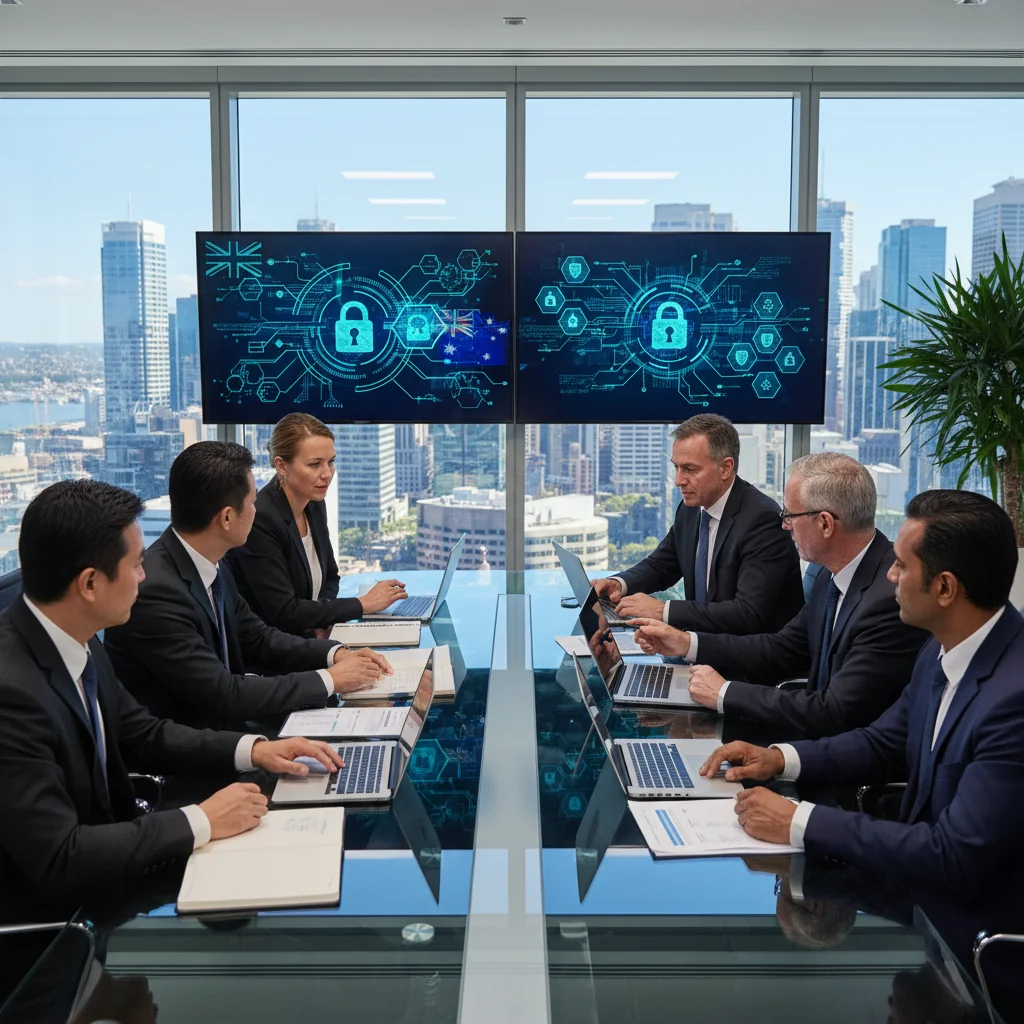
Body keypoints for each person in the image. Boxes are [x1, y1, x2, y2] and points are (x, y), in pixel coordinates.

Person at [0, 480, 345, 916]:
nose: (145, 576)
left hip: (120, 868)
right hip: (53, 931)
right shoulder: (11, 693)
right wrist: (201, 820)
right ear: (90, 584)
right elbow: (60, 854)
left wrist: (257, 750)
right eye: (136, 565)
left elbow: (142, 735)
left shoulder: (76, 640)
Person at [699, 490, 1024, 894]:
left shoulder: (1013, 701)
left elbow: (953, 854)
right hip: (907, 879)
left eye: (902, 567)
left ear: (944, 589)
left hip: (961, 928)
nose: (890, 575)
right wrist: (779, 758)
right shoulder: (940, 651)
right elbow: (883, 743)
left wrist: (799, 821)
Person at [632, 453, 929, 738]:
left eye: (790, 514)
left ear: (825, 523)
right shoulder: (831, 572)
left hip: (842, 765)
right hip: (812, 738)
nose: (784, 524)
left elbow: (836, 712)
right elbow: (782, 648)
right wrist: (685, 643)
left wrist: (723, 693)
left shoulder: (889, 599)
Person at [105, 441, 392, 731]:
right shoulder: (156, 591)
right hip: (191, 754)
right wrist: (332, 679)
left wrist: (335, 653)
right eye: (252, 502)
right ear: (227, 517)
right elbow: (225, 694)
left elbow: (257, 638)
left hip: (226, 731)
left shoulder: (211, 562)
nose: (257, 510)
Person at [591, 414, 803, 635]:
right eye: (676, 468)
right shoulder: (691, 507)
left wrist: (663, 610)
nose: (678, 480)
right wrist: (618, 583)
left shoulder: (762, 520)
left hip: (751, 662)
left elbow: (746, 614)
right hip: (702, 649)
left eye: (690, 469)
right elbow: (661, 566)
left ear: (725, 468)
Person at [225, 413, 408, 638]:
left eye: (331, 461)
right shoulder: (261, 519)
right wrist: (363, 604)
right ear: (282, 466)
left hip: (310, 635)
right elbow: (284, 611)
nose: (327, 474)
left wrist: (322, 621)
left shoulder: (313, 503)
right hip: (275, 652)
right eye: (314, 464)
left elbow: (330, 577)